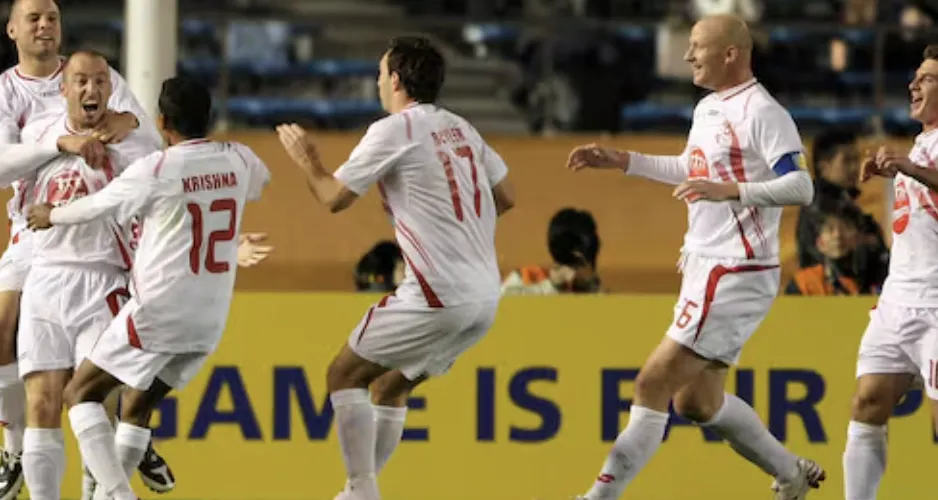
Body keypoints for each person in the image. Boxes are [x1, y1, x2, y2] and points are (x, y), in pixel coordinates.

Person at [564, 14, 826, 500]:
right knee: (698, 403)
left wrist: (732, 190)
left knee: (651, 384)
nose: (688, 56)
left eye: (697, 46)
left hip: (735, 270)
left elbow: (801, 186)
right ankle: (790, 472)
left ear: (730, 53)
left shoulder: (763, 112)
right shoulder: (708, 108)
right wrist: (624, 161)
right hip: (706, 266)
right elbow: (693, 168)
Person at [275, 35, 516, 500]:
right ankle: (358, 492)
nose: (378, 83)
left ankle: (362, 491)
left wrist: (308, 161)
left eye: (381, 74)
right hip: (485, 296)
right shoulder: (462, 128)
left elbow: (333, 198)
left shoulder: (394, 130)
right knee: (389, 387)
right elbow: (505, 197)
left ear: (398, 80)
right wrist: (456, 230)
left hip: (436, 294)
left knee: (343, 376)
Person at [24, 75, 271, 500]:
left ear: (161, 122)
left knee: (80, 393)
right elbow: (259, 184)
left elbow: (96, 207)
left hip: (159, 311)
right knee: (136, 407)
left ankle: (119, 494)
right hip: (209, 320)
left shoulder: (157, 169)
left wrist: (52, 215)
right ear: (209, 118)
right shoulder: (239, 158)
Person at [0, 1, 172, 498]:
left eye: (52, 17)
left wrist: (131, 123)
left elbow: (151, 145)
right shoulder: (15, 99)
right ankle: (13, 448)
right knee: (19, 358)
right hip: (35, 239)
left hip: (102, 259)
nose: (44, 25)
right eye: (34, 18)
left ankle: (135, 433)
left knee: (93, 389)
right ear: (12, 30)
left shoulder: (102, 79)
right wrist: (60, 144)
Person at [842, 44, 938, 500]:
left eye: (927, 78)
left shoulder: (920, 154)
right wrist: (897, 172)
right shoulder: (922, 142)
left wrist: (910, 169)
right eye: (915, 77)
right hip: (898, 300)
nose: (914, 85)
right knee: (867, 402)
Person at [795, 128, 887, 271]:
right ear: (824, 166)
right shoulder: (818, 206)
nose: (855, 167)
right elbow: (840, 257)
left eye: (856, 159)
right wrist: (867, 242)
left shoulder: (842, 202)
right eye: (847, 160)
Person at [786, 200, 884, 296]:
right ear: (819, 242)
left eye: (845, 227)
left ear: (859, 237)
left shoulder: (880, 280)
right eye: (830, 229)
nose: (838, 235)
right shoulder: (804, 284)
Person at [501, 207, 602, 295]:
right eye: (569, 263)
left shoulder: (596, 294)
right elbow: (500, 301)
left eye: (578, 264)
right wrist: (553, 286)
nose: (572, 273)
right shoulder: (525, 279)